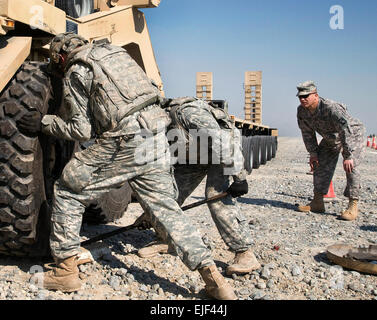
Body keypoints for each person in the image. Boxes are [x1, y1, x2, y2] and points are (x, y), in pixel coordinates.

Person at [17, 33, 236, 300]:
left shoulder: (78, 68)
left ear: (61, 57)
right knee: (167, 210)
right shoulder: (117, 55)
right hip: (156, 138)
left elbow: (81, 130)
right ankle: (215, 280)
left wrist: (44, 123)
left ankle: (64, 271)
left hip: (125, 140)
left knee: (67, 190)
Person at [136, 97, 261, 276]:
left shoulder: (188, 113)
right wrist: (150, 214)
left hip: (222, 151)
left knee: (215, 196)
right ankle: (164, 238)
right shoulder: (151, 122)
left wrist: (239, 178)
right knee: (170, 194)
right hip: (195, 152)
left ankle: (244, 252)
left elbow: (222, 142)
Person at [296, 81, 365, 221]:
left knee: (351, 166)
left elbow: (346, 130)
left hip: (352, 135)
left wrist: (349, 155)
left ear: (315, 95)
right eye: (300, 97)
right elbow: (307, 133)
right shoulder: (302, 111)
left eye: (306, 96)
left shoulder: (331, 108)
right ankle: (317, 202)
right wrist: (313, 153)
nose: (302, 99)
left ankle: (353, 205)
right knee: (319, 162)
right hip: (331, 137)